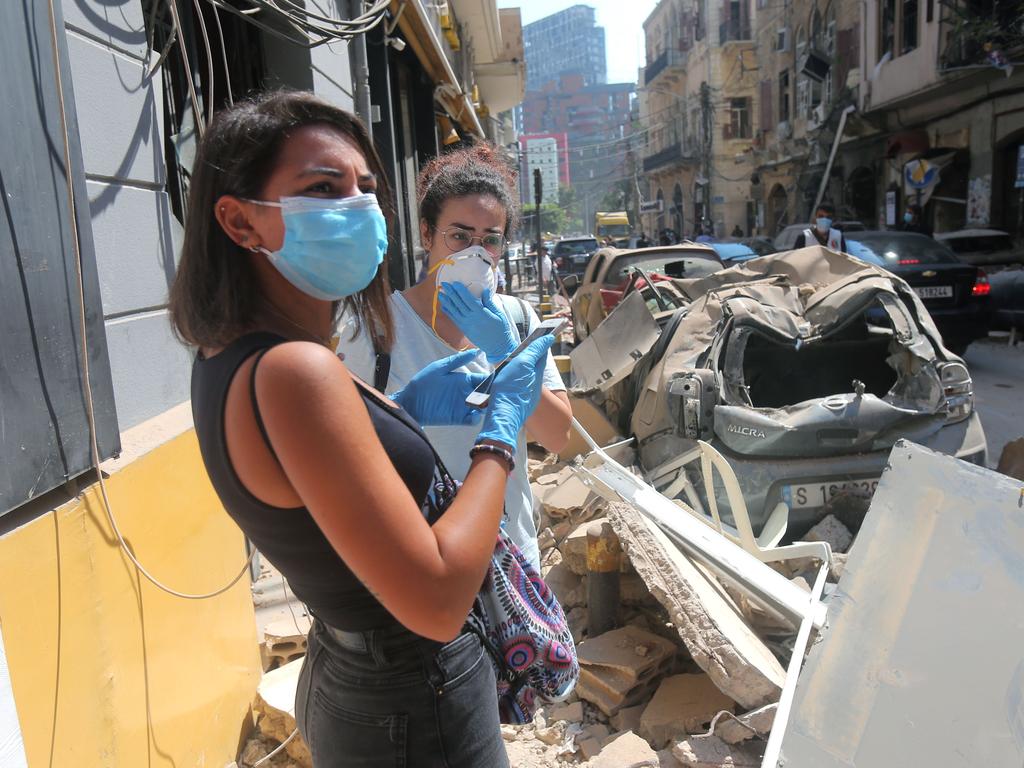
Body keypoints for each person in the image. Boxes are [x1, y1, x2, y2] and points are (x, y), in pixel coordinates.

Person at [169, 91, 553, 767]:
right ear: (238, 221)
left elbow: (315, 479)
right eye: (323, 188)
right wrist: (501, 427)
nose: (356, 207)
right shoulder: (297, 371)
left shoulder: (232, 355)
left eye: (366, 188)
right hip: (413, 694)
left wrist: (397, 407)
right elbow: (437, 598)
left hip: (362, 678)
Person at [338, 144, 571, 571]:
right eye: (459, 236)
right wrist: (402, 409)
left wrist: (508, 356)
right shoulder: (374, 330)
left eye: (491, 240)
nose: (474, 253)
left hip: (512, 559)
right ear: (427, 234)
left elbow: (557, 436)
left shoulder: (519, 321)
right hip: (421, 560)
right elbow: (342, 457)